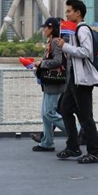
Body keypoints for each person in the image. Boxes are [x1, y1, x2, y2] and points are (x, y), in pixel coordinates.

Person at [55, 0, 98, 164]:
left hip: (82, 79)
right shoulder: (75, 30)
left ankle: (95, 152)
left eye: (69, 11)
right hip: (74, 77)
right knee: (64, 109)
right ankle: (73, 146)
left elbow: (86, 52)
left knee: (85, 116)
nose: (67, 14)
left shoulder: (82, 29)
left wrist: (65, 47)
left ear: (78, 13)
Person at [32, 18, 67, 152]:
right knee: (44, 114)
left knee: (49, 113)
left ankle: (76, 131)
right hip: (49, 83)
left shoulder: (55, 42)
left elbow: (58, 61)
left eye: (45, 27)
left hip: (55, 83)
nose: (44, 30)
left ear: (51, 28)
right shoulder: (51, 42)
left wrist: (41, 64)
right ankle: (47, 143)